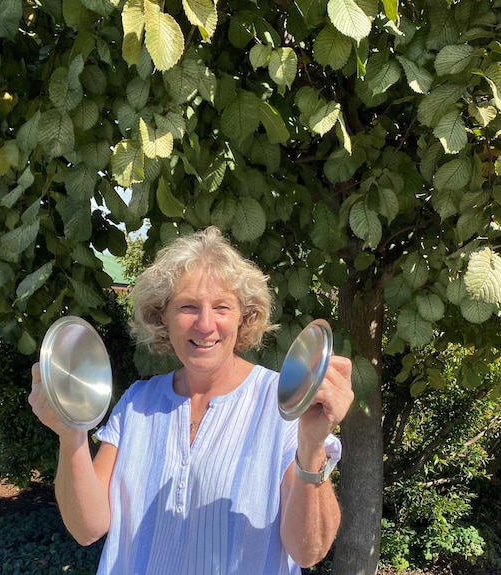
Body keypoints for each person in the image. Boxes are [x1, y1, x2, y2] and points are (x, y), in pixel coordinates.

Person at [29, 226, 354, 574]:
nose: (205, 324)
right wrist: (71, 434)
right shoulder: (139, 401)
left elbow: (308, 552)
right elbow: (87, 528)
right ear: (161, 317)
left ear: (244, 318)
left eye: (222, 307)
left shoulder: (282, 406)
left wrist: (311, 443)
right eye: (187, 306)